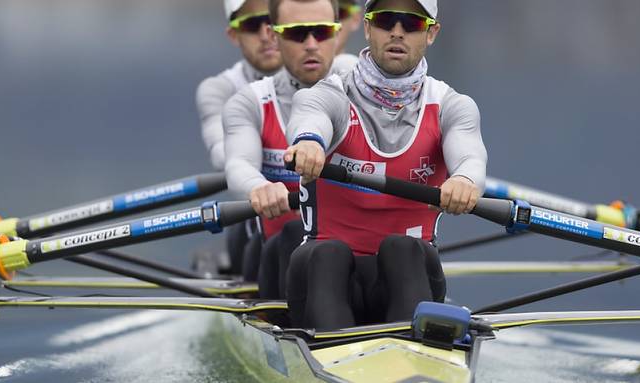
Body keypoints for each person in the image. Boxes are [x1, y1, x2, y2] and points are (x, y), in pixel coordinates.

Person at [283, 0, 488, 329]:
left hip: (408, 276)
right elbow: (310, 115)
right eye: (385, 20)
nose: (397, 32)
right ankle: (339, 355)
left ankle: (412, 363)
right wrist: (309, 142)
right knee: (328, 254)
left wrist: (464, 179)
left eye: (411, 23)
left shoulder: (453, 106)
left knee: (403, 249)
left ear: (431, 33)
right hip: (324, 278)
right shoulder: (331, 94)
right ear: (367, 28)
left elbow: (470, 156)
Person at [223, 0, 355, 297]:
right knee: (296, 234)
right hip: (279, 255)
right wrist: (259, 186)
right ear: (274, 35)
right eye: (297, 34)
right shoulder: (249, 102)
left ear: (336, 33)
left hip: (357, 256)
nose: (311, 45)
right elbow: (237, 166)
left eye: (321, 33)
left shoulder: (364, 89)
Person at [195, 0, 283, 277]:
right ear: (234, 35)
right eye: (252, 25)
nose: (266, 33)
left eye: (273, 20)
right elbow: (225, 156)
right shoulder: (219, 89)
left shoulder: (327, 74)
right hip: (255, 223)